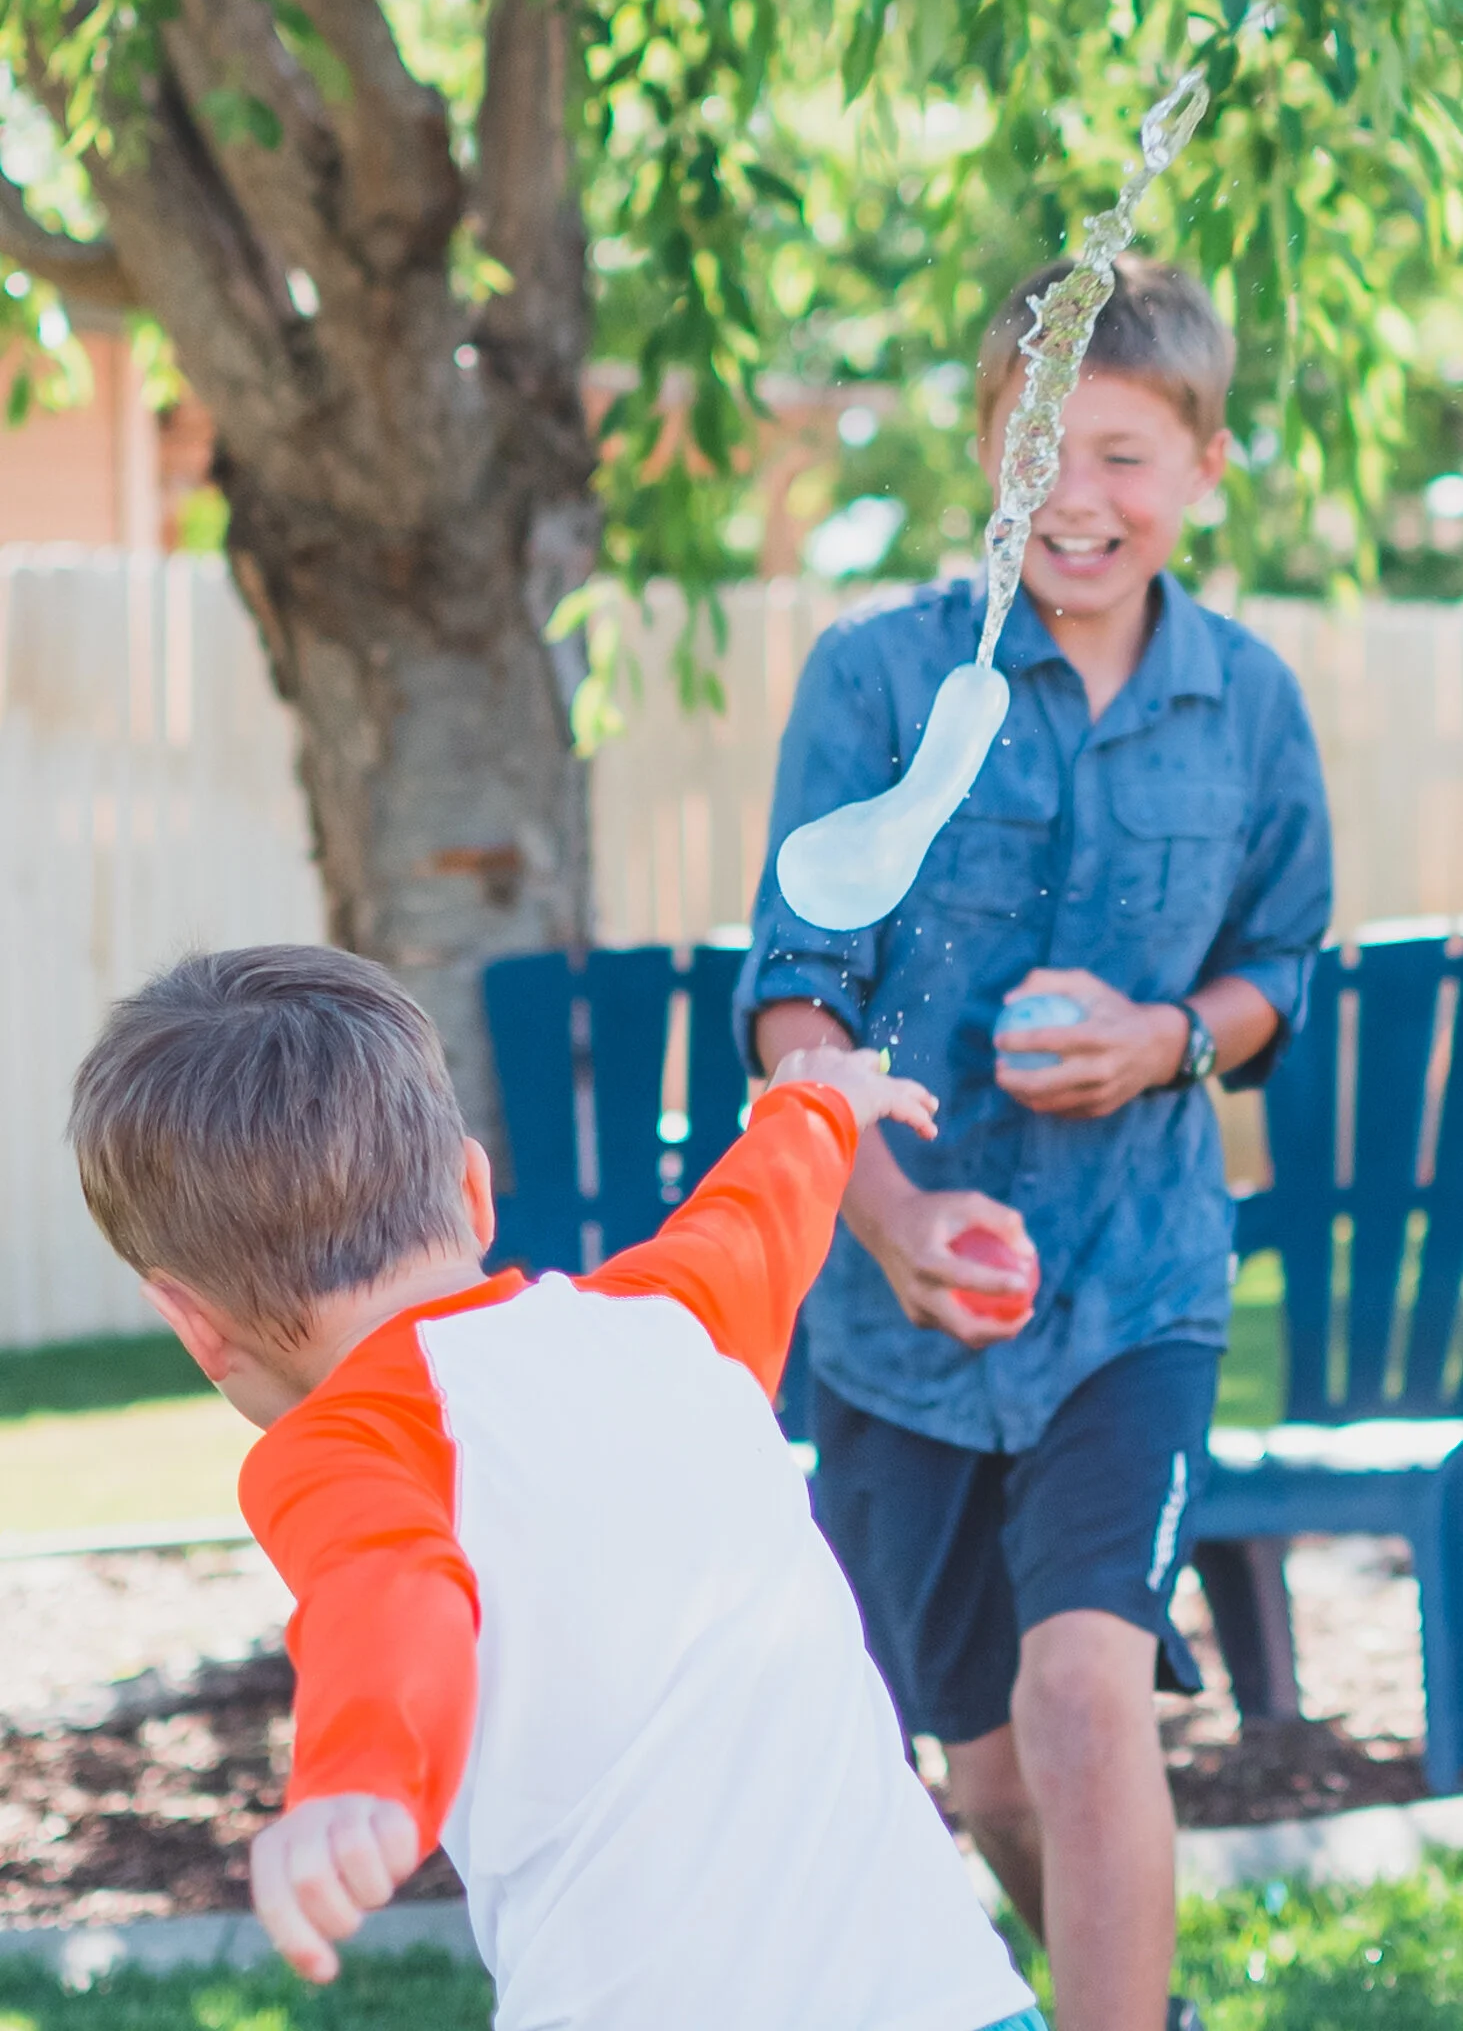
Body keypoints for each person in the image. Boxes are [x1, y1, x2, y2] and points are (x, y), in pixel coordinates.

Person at [68, 944, 1044, 2031]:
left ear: (193, 1322)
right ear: (475, 1189)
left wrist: (356, 1778)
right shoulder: (674, 1318)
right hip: (945, 1995)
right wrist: (821, 1099)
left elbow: (392, 1596)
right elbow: (760, 1200)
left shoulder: (346, 1442)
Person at [737, 254, 1333, 2031]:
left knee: (1086, 1693)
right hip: (894, 1318)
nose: (1074, 496)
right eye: (1036, 448)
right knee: (990, 1771)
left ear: (1204, 467)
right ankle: (1107, 1988)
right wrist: (893, 1213)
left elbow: (1281, 965)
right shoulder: (874, 682)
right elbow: (794, 989)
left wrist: (1169, 1038)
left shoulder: (1246, 701)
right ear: (982, 449)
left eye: (1127, 455)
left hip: (1130, 1288)